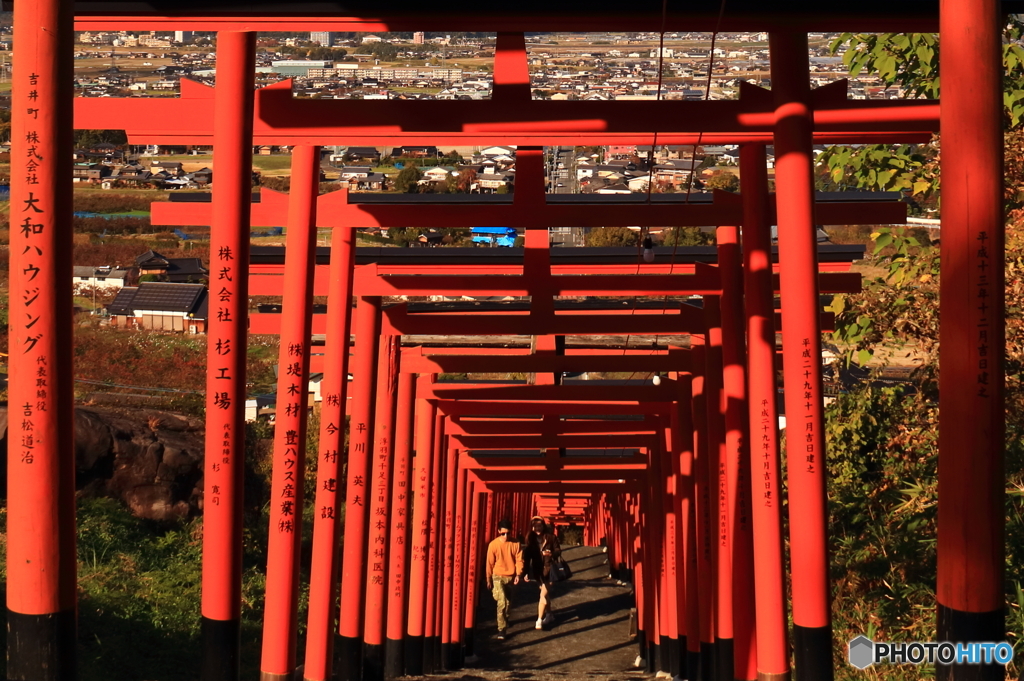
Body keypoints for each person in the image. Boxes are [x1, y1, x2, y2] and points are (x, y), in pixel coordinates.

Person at [485, 518, 523, 640]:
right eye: (503, 533)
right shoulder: (493, 545)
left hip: (510, 576)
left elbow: (519, 560)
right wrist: (488, 579)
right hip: (498, 576)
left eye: (508, 533)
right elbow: (489, 563)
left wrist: (518, 575)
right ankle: (501, 629)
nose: (506, 536)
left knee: (508, 603)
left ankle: (505, 619)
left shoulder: (516, 543)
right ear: (498, 531)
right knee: (502, 602)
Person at [523, 515, 561, 630]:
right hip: (537, 570)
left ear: (543, 526)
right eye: (535, 526)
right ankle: (549, 615)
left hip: (550, 570)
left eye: (539, 526)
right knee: (545, 594)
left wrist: (551, 554)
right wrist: (525, 572)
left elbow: (558, 551)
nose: (537, 528)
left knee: (542, 595)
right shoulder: (530, 538)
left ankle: (539, 619)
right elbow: (527, 556)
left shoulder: (551, 537)